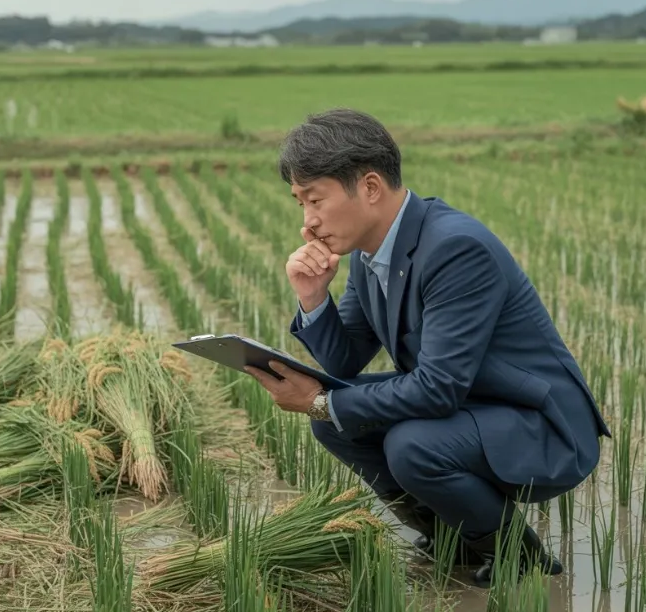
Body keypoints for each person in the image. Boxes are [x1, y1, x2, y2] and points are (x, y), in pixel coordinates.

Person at [245, 108, 610, 586]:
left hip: (539, 425)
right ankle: (453, 537)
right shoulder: (370, 254)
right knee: (334, 425)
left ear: (370, 187)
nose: (309, 224)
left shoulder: (455, 248)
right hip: (469, 407)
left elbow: (437, 389)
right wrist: (312, 296)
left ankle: (518, 555)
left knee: (408, 443)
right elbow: (344, 361)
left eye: (315, 200)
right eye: (300, 205)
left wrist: (318, 401)